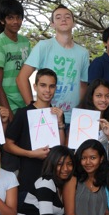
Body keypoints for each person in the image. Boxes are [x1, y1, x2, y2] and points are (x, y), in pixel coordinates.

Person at [16, 4, 89, 125]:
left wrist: (77, 109)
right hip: (47, 116)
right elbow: (21, 78)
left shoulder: (83, 53)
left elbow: (83, 84)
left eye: (67, 17)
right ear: (52, 24)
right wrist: (34, 109)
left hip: (72, 118)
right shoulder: (43, 46)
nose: (63, 19)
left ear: (74, 23)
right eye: (58, 17)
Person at [4, 69, 66, 197]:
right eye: (43, 85)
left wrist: (60, 123)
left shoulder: (58, 114)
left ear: (55, 88)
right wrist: (30, 154)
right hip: (28, 175)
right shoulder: (22, 113)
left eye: (51, 86)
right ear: (35, 87)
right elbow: (7, 145)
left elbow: (61, 147)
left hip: (52, 174)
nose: (47, 90)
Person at [0, 0, 30, 121]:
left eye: (18, 17)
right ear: (2, 20)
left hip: (22, 103)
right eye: (10, 18)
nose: (15, 21)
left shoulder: (25, 42)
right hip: (5, 106)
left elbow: (26, 75)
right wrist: (9, 114)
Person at [78, 79, 109, 153]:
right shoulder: (80, 119)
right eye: (99, 96)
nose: (104, 100)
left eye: (107, 96)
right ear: (91, 97)